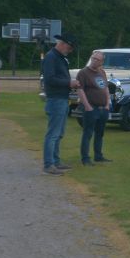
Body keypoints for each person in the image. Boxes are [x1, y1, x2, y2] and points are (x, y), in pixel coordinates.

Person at [41, 34, 81, 175]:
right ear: (63, 44)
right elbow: (50, 79)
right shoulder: (51, 57)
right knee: (53, 133)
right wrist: (68, 83)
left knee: (59, 133)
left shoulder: (59, 57)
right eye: (69, 48)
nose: (69, 51)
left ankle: (56, 161)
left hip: (62, 98)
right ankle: (48, 164)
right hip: (56, 99)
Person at [76, 50, 113, 165]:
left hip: (103, 109)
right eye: (93, 58)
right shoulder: (83, 73)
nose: (94, 61)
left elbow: (106, 89)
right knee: (88, 133)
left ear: (101, 62)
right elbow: (80, 90)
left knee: (100, 133)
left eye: (97, 59)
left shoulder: (102, 72)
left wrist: (107, 104)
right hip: (91, 108)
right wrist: (87, 106)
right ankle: (85, 158)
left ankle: (98, 155)